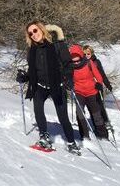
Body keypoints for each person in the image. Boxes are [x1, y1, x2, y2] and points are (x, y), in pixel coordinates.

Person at [16, 21, 80, 154]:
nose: (33, 34)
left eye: (35, 31)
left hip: (57, 85)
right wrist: (25, 77)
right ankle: (44, 137)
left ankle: (71, 142)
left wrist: (68, 78)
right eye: (30, 33)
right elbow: (33, 70)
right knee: (38, 110)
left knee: (63, 117)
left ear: (41, 30)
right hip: (40, 86)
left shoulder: (57, 46)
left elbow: (68, 65)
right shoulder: (32, 50)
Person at [69, 44, 108, 140]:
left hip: (92, 92)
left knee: (96, 114)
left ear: (80, 55)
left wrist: (99, 83)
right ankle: (84, 135)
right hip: (79, 92)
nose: (76, 61)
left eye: (77, 58)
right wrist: (68, 84)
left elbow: (98, 76)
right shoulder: (70, 67)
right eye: (73, 58)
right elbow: (67, 78)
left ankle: (102, 134)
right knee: (80, 113)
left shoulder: (89, 63)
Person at [82, 45, 112, 126]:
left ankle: (105, 121)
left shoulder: (96, 62)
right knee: (92, 107)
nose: (86, 56)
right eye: (84, 54)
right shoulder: (81, 63)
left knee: (100, 105)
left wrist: (108, 85)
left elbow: (102, 74)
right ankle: (96, 123)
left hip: (97, 86)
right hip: (88, 88)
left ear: (91, 53)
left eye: (88, 54)